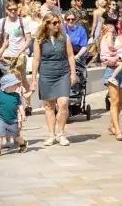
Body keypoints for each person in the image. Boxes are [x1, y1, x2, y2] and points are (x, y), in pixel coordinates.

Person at [31, 13, 77, 147]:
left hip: (62, 72)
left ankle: (61, 133)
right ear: (47, 24)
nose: (58, 25)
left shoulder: (65, 37)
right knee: (49, 106)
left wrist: (73, 73)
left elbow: (70, 56)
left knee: (63, 103)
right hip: (46, 73)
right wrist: (33, 78)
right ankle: (51, 134)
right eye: (54, 23)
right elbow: (36, 59)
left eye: (58, 22)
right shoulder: (39, 39)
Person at [101, 17, 122, 140]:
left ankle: (112, 124)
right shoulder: (115, 38)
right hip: (112, 70)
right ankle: (118, 130)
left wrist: (119, 58)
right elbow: (106, 49)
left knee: (121, 102)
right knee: (114, 101)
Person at [0, 74, 27, 156]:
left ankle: (23, 143)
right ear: (7, 86)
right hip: (1, 119)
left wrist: (23, 115)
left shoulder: (16, 95)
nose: (16, 86)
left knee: (16, 135)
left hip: (13, 120)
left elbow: (20, 105)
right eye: (14, 84)